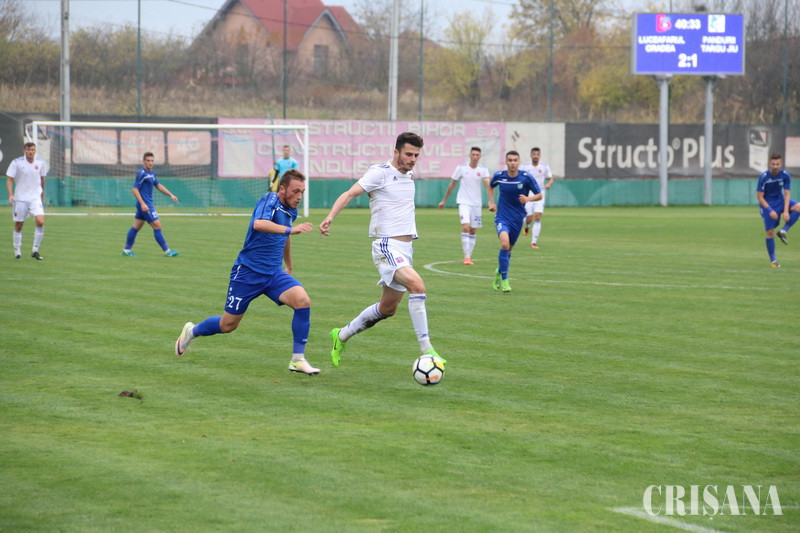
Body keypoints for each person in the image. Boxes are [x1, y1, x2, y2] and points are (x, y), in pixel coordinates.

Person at [175, 169, 320, 375]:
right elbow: (259, 224)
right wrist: (290, 230)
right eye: (295, 191)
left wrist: (288, 265)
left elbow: (285, 235)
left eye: (302, 192)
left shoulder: (291, 210)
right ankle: (192, 331)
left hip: (273, 274)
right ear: (282, 189)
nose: (299, 197)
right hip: (248, 273)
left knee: (303, 301)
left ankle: (297, 359)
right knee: (228, 325)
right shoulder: (269, 200)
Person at [319, 131, 444, 366]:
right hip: (387, 246)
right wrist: (330, 217)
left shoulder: (408, 175)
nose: (413, 159)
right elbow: (350, 193)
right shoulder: (379, 173)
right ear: (396, 152)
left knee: (388, 308)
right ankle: (427, 350)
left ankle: (341, 335)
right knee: (417, 286)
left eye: (416, 155)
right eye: (408, 154)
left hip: (405, 249)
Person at [487, 151, 542, 292]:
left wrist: (528, 199)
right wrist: (491, 202)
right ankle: (505, 281)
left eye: (515, 160)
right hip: (502, 217)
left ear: (519, 162)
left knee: (508, 250)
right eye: (510, 160)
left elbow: (539, 195)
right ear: (506, 162)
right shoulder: (500, 176)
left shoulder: (526, 177)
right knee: (504, 244)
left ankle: (499, 271)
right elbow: (491, 185)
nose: (512, 163)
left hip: (517, 219)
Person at [437, 146, 492, 265]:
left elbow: (488, 186)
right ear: (470, 155)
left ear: (480, 157)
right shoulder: (461, 168)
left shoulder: (483, 170)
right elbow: (452, 184)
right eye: (473, 154)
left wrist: (491, 202)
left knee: (473, 230)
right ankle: (466, 257)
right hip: (463, 202)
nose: (475, 157)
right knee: (466, 226)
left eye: (477, 155)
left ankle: (469, 256)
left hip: (476, 204)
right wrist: (444, 200)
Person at [122, 152, 180, 257]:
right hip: (145, 205)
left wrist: (170, 195)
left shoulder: (151, 173)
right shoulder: (142, 173)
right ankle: (167, 251)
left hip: (145, 204)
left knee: (137, 226)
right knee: (157, 226)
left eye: (152, 161)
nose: (150, 163)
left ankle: (127, 250)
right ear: (144, 161)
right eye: (148, 161)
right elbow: (135, 189)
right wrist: (142, 203)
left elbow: (158, 185)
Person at [756, 152, 800, 268]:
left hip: (780, 201)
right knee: (770, 232)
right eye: (773, 164)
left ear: (781, 164)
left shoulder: (785, 175)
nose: (775, 166)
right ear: (769, 164)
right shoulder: (764, 177)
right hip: (767, 205)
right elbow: (760, 197)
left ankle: (783, 231)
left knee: (798, 206)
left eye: (777, 164)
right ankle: (773, 261)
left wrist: (785, 211)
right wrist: (770, 210)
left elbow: (787, 193)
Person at [6, 142, 47, 260]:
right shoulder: (16, 163)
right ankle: (17, 251)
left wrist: (42, 194)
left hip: (35, 198)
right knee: (19, 225)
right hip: (20, 198)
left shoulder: (40, 163)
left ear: (35, 151)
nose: (30, 152)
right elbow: (9, 180)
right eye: (28, 149)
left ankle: (35, 250)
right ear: (24, 150)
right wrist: (11, 195)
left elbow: (42, 180)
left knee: (40, 222)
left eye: (32, 149)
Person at [521, 147, 554, 249]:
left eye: (537, 154)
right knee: (528, 218)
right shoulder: (525, 166)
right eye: (534, 154)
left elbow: (550, 178)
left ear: (540, 156)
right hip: (528, 194)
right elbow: (519, 177)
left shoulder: (544, 166)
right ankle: (527, 225)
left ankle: (533, 243)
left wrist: (549, 184)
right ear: (531, 155)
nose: (535, 156)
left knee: (538, 216)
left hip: (540, 194)